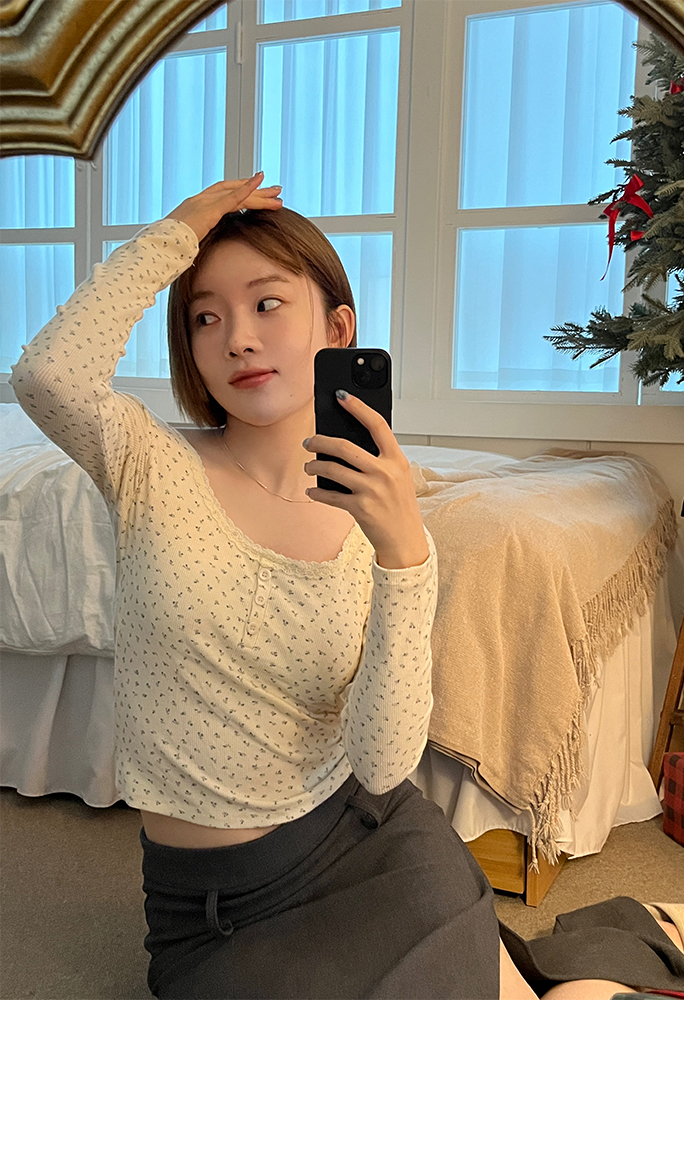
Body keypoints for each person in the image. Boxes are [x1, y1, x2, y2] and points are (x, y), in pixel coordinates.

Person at [10, 175, 502, 999]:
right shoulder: (147, 461)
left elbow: (383, 764)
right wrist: (173, 235)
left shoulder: (381, 519)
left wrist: (404, 557)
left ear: (337, 328)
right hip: (214, 909)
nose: (238, 338)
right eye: (206, 317)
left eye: (268, 304)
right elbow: (46, 377)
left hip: (370, 840)